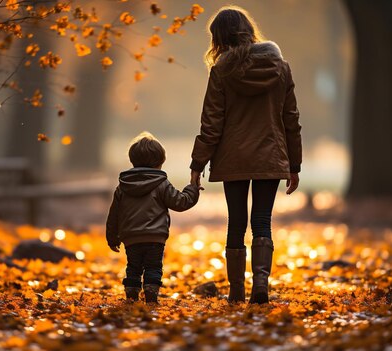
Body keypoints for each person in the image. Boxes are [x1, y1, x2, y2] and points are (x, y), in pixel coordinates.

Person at [190, 6, 302, 304]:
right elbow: (291, 119)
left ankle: (236, 291)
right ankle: (261, 284)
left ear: (220, 38)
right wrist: (294, 164)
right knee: (262, 220)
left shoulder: (222, 72)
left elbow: (211, 123)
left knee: (236, 222)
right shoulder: (281, 68)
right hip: (270, 155)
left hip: (233, 157)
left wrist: (197, 163)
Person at [107, 132, 200, 303]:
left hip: (130, 237)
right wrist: (192, 189)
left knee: (133, 267)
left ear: (132, 160)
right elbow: (180, 202)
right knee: (153, 266)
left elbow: (114, 214)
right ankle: (151, 292)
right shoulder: (161, 184)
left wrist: (112, 236)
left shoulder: (123, 186)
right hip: (154, 236)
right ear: (159, 162)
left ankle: (132, 293)